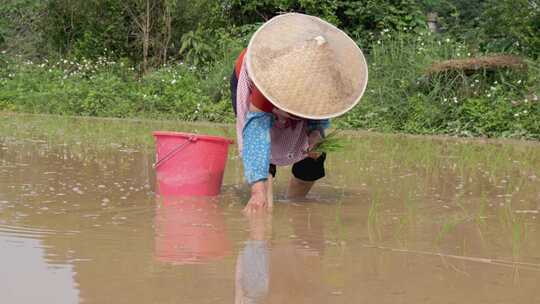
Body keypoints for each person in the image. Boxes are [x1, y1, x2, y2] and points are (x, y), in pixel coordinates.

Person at [230, 13, 368, 213]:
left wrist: (316, 133)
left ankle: (295, 203)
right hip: (258, 75)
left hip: (310, 77)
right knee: (263, 153)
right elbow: (256, 135)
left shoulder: (328, 78)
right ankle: (261, 202)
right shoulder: (267, 79)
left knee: (313, 157)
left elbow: (321, 114)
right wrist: (257, 192)